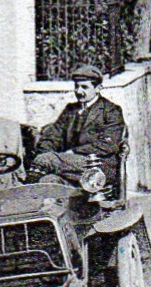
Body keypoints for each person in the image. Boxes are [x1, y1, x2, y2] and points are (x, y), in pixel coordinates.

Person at [33, 64, 125, 196]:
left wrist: (73, 152)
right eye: (76, 86)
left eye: (84, 87)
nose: (79, 91)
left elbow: (108, 145)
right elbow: (53, 135)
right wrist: (45, 150)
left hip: (98, 167)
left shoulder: (110, 111)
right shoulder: (70, 110)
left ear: (98, 88)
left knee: (45, 161)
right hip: (69, 166)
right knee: (47, 181)